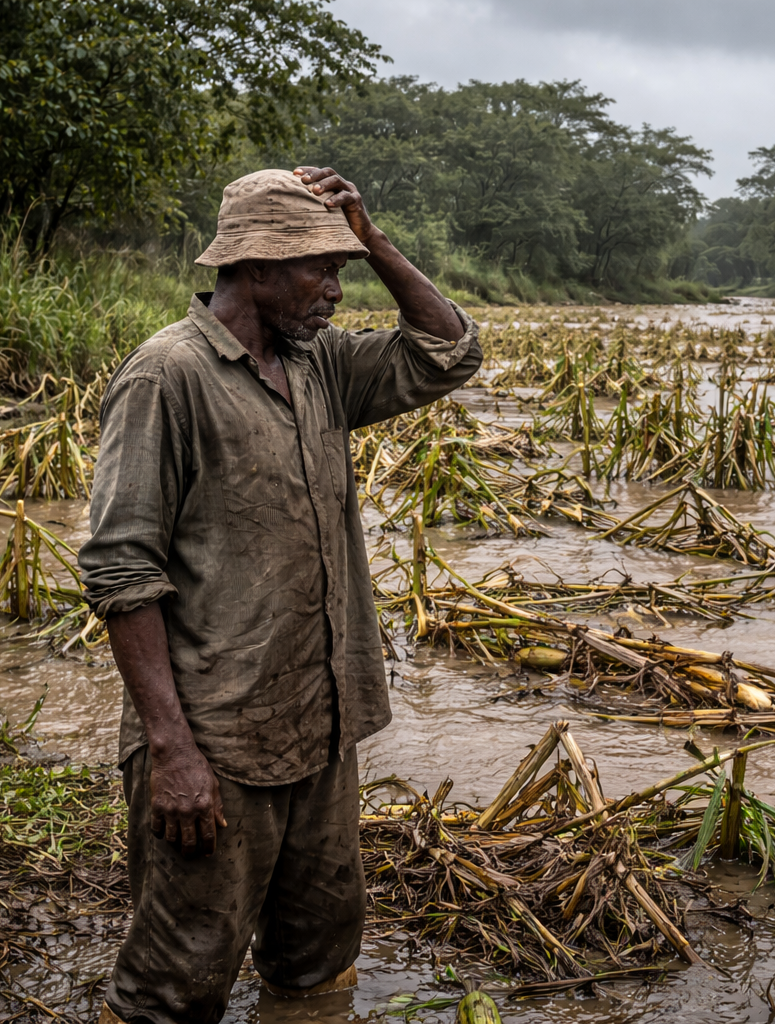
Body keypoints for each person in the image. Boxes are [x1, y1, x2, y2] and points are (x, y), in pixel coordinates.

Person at [79, 167, 481, 1024]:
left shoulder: (321, 365)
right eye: (320, 270)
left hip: (321, 723)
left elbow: (449, 350)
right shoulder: (167, 377)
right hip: (215, 742)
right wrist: (174, 753)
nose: (338, 291)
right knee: (176, 981)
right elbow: (121, 572)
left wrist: (370, 237)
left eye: (345, 269)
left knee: (317, 959)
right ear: (255, 267)